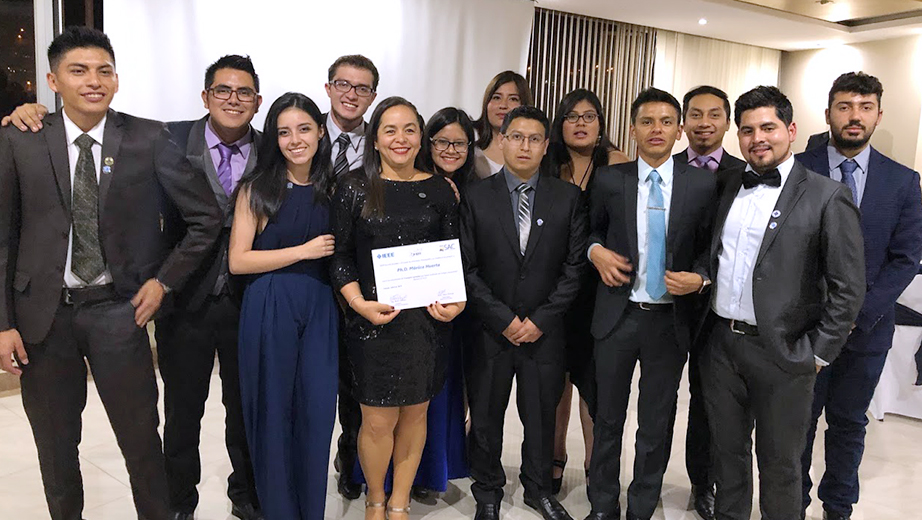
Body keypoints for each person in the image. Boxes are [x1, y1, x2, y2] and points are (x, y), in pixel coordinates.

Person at [2, 55, 267, 520]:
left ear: (117, 79)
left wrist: (163, 281)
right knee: (56, 447)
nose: (93, 81)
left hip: (119, 312)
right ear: (52, 80)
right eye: (78, 71)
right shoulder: (19, 139)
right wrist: (3, 323)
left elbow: (205, 219)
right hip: (44, 317)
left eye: (104, 71)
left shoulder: (147, 138)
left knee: (143, 442)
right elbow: (4, 236)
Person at [701, 85, 865, 520]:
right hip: (721, 345)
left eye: (768, 127)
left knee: (781, 466)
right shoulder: (729, 184)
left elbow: (849, 285)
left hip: (786, 351)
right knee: (728, 458)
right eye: (748, 129)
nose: (758, 138)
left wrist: (817, 354)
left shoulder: (826, 195)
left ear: (790, 130)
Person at [583, 88, 717, 520]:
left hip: (670, 321)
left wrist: (700, 277)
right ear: (633, 129)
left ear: (679, 130)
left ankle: (642, 507)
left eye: (665, 122)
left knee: (655, 425)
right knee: (607, 420)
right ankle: (602, 506)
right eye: (646, 122)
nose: (655, 130)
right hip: (617, 317)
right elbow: (587, 232)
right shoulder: (610, 179)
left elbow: (710, 247)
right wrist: (595, 251)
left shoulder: (702, 184)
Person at [330, 96, 464, 520]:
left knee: (416, 415)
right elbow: (340, 257)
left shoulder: (441, 189)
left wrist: (456, 301)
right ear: (375, 139)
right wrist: (357, 304)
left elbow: (452, 254)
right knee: (376, 421)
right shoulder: (353, 187)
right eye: (390, 130)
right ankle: (374, 498)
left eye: (409, 129)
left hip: (426, 325)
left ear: (420, 136)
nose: (401, 138)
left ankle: (401, 501)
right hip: (372, 322)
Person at [796, 72, 922, 520]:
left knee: (849, 423)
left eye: (865, 107)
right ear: (829, 112)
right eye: (845, 106)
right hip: (803, 328)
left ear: (878, 115)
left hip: (866, 330)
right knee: (798, 424)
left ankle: (838, 508)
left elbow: (906, 258)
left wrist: (856, 314)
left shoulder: (903, 180)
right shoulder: (795, 168)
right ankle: (792, 504)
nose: (854, 116)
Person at [461, 105, 586, 520]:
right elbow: (468, 269)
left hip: (544, 332)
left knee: (540, 416)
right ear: (502, 140)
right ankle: (488, 490)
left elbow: (574, 269)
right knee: (486, 416)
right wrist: (504, 320)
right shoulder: (476, 197)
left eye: (534, 139)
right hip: (490, 331)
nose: (525, 146)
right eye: (516, 137)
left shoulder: (568, 198)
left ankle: (538, 489)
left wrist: (539, 320)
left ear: (546, 145)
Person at [228, 92, 339, 520]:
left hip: (320, 307)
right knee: (273, 409)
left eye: (304, 128)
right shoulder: (259, 188)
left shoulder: (335, 186)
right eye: (284, 131)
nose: (295, 139)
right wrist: (302, 251)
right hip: (270, 303)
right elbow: (238, 260)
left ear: (320, 131)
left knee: (315, 411)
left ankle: (310, 510)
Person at [667, 84, 745, 520]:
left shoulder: (743, 172)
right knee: (658, 397)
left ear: (727, 123)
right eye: (695, 114)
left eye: (714, 115)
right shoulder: (663, 166)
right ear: (684, 123)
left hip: (716, 307)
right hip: (662, 300)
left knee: (707, 400)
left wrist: (705, 276)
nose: (704, 123)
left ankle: (703, 483)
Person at [546, 88, 629, 495]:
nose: (580, 123)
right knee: (555, 380)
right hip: (555, 290)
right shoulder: (546, 165)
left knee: (595, 384)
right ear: (559, 124)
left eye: (589, 116)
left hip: (602, 293)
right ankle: (555, 455)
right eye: (571, 116)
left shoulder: (620, 165)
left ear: (601, 124)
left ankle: (597, 465)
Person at [324, 54, 381, 502]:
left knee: (355, 379)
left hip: (362, 282)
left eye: (361, 88)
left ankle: (351, 457)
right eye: (343, 84)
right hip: (305, 273)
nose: (351, 94)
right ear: (328, 88)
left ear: (373, 97)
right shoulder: (300, 131)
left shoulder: (384, 143)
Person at [472, 71, 533, 179]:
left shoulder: (534, 153)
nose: (503, 105)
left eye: (513, 99)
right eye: (496, 97)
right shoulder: (471, 153)